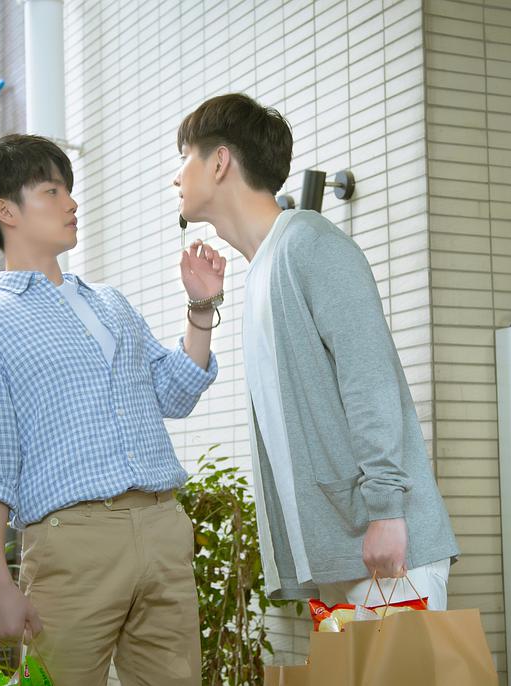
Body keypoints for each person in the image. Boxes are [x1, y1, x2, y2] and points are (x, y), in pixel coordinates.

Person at [0, 133, 226, 685]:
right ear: (6, 211)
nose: (71, 203)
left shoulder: (111, 303)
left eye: (68, 190)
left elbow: (174, 392)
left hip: (162, 527)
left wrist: (199, 307)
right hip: (73, 542)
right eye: (51, 191)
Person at [172, 95, 459, 609]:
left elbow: (370, 380)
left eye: (185, 158)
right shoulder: (262, 268)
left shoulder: (310, 244)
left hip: (386, 549)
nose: (176, 177)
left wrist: (387, 512)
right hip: (342, 554)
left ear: (219, 162)